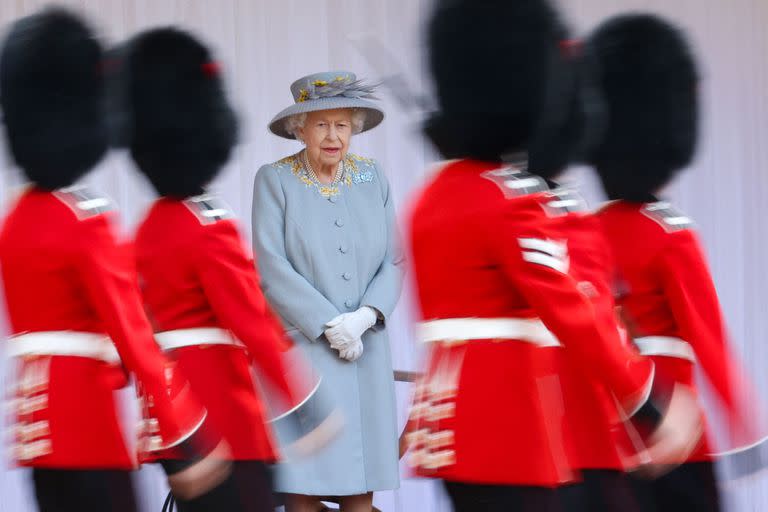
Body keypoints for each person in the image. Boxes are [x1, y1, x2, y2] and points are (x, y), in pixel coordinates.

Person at [403, 1, 704, 511]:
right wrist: (646, 401)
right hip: (512, 431)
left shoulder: (429, 197)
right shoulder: (504, 201)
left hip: (445, 429)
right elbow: (573, 311)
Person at [0, 8, 227, 512]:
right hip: (89, 431)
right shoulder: (86, 220)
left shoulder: (13, 224)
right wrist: (185, 446)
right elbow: (134, 339)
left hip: (35, 435)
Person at [112, 28, 341, 512]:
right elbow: (252, 322)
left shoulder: (147, 230)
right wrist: (305, 405)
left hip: (175, 421)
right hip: (227, 421)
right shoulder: (207, 225)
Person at [589, 14, 755, 512]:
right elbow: (708, 337)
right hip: (675, 419)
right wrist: (747, 432)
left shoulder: (583, 231)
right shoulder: (671, 233)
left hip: (611, 424)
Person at [252, 71, 403, 512]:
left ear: (353, 127)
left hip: (367, 352)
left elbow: (393, 260)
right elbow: (271, 264)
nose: (333, 135)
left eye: (341, 124)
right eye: (320, 124)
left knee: (360, 494)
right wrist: (327, 323)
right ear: (300, 129)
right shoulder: (274, 179)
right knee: (302, 495)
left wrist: (365, 316)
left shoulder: (372, 177)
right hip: (303, 356)